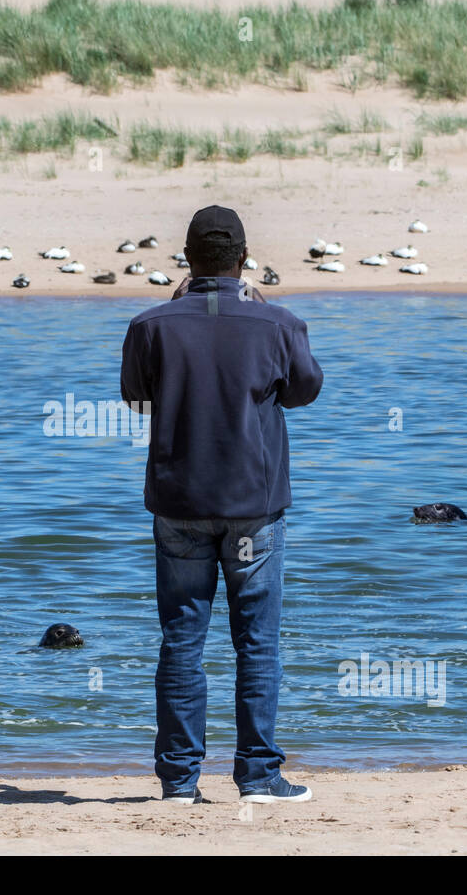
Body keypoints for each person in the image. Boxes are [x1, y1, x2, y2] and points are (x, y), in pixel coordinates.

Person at [120, 205, 323, 805]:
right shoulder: (277, 323)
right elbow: (305, 390)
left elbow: (135, 399)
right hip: (253, 505)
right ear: (243, 260)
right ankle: (258, 775)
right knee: (256, 641)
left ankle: (179, 781)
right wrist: (256, 315)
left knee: (182, 639)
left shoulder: (150, 325)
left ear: (187, 260)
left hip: (179, 501)